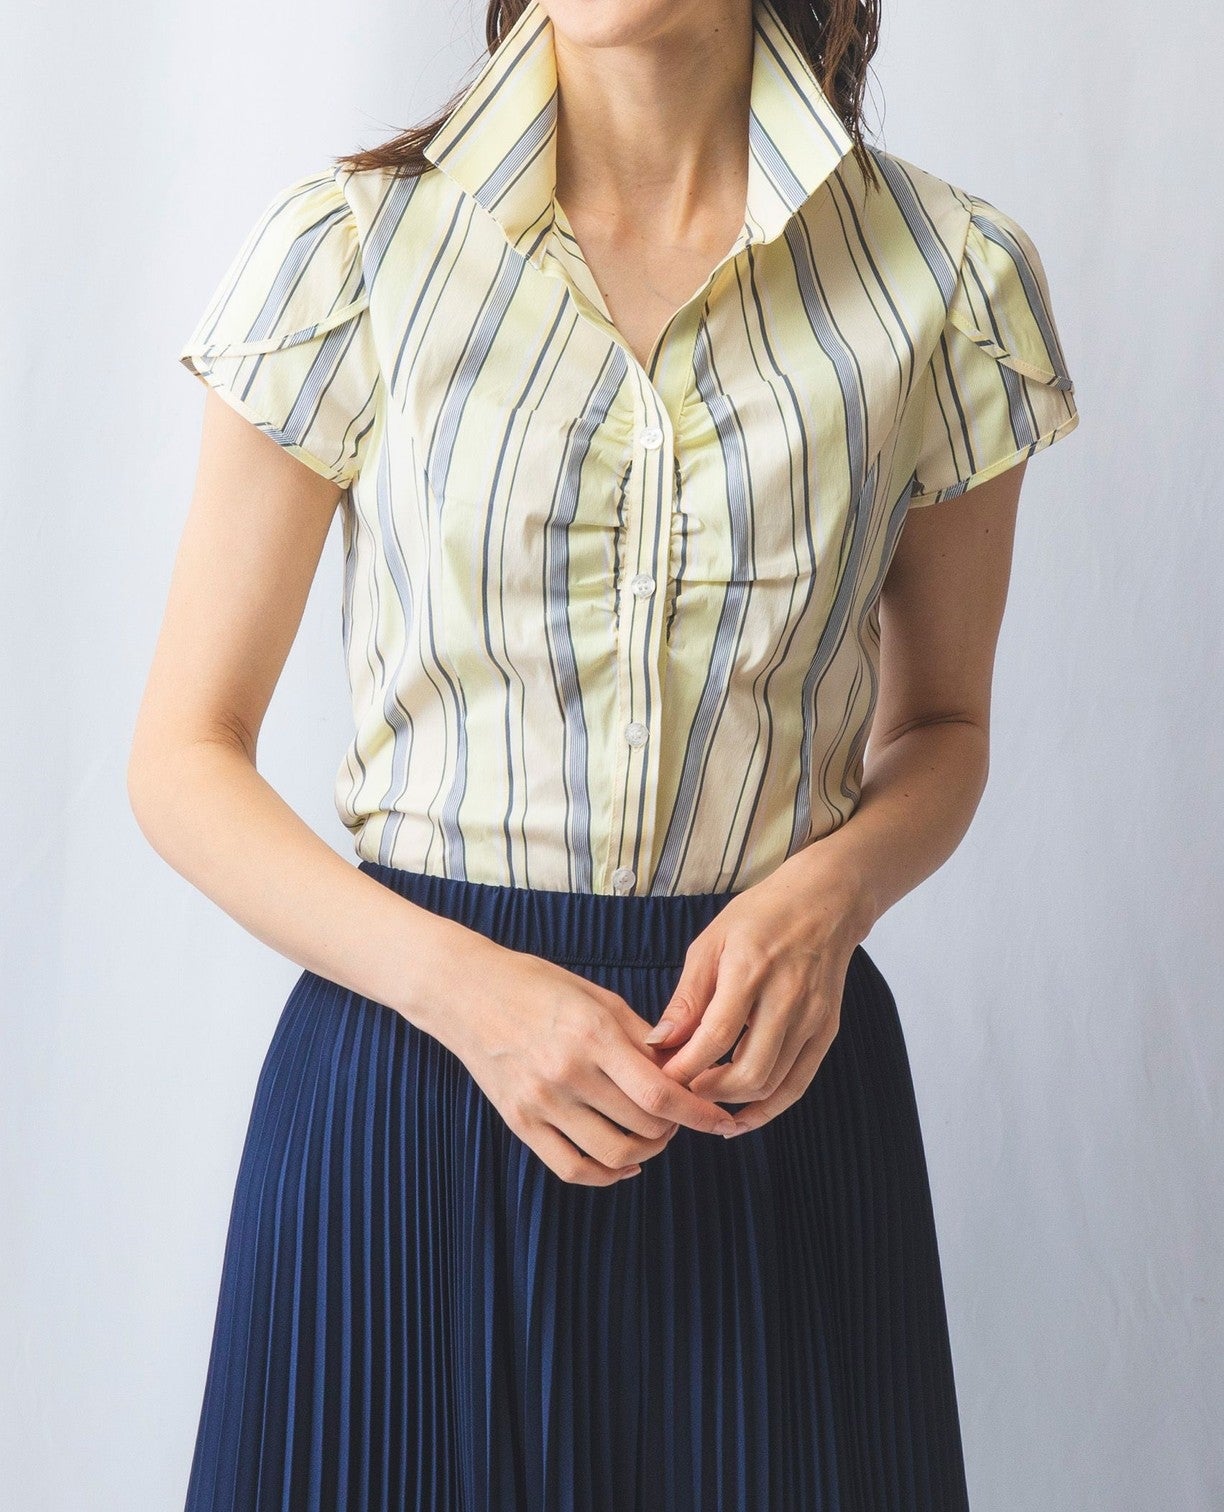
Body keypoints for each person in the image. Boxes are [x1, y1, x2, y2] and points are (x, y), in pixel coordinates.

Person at [129, 0, 1081, 1505]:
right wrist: (469, 994)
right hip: (409, 1091)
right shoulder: (352, 252)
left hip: (761, 1092)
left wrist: (829, 902)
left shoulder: (947, 278)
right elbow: (185, 754)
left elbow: (943, 728)